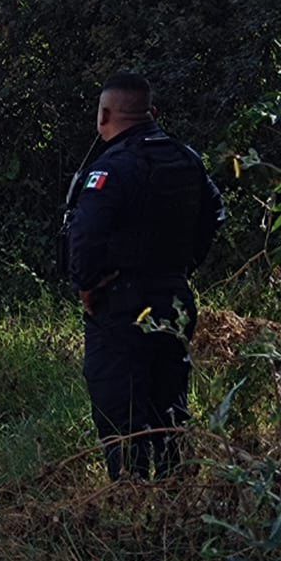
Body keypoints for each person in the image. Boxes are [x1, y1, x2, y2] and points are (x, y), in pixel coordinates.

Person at [65, 73, 225, 481]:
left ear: (104, 115)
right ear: (151, 112)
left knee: (120, 408)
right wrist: (185, 267)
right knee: (170, 404)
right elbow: (214, 214)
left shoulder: (110, 170)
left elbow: (85, 237)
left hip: (121, 305)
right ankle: (176, 498)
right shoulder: (185, 158)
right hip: (174, 298)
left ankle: (132, 504)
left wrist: (87, 285)